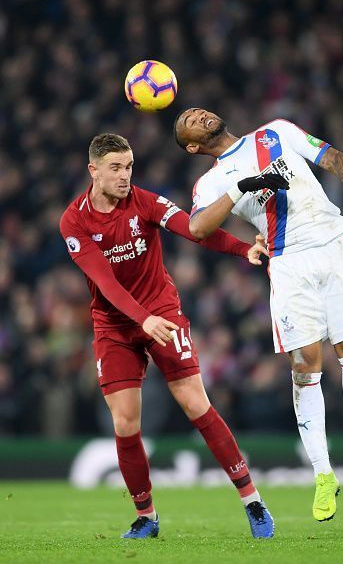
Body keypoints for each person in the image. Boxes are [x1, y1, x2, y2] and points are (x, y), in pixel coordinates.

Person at [174, 108, 343, 522]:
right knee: (306, 365)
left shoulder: (276, 132)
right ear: (192, 146)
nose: (199, 114)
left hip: (333, 245)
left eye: (198, 110)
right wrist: (244, 187)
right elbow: (197, 228)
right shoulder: (211, 182)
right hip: (288, 262)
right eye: (189, 121)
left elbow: (333, 158)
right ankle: (323, 475)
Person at [59, 133, 279, 539]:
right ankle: (147, 517)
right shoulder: (73, 221)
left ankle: (253, 502)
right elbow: (104, 282)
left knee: (195, 403)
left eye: (128, 166)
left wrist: (240, 248)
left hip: (161, 311)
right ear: (93, 171)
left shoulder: (145, 201)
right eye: (115, 168)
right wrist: (141, 320)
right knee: (125, 423)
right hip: (115, 324)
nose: (125, 176)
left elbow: (194, 230)